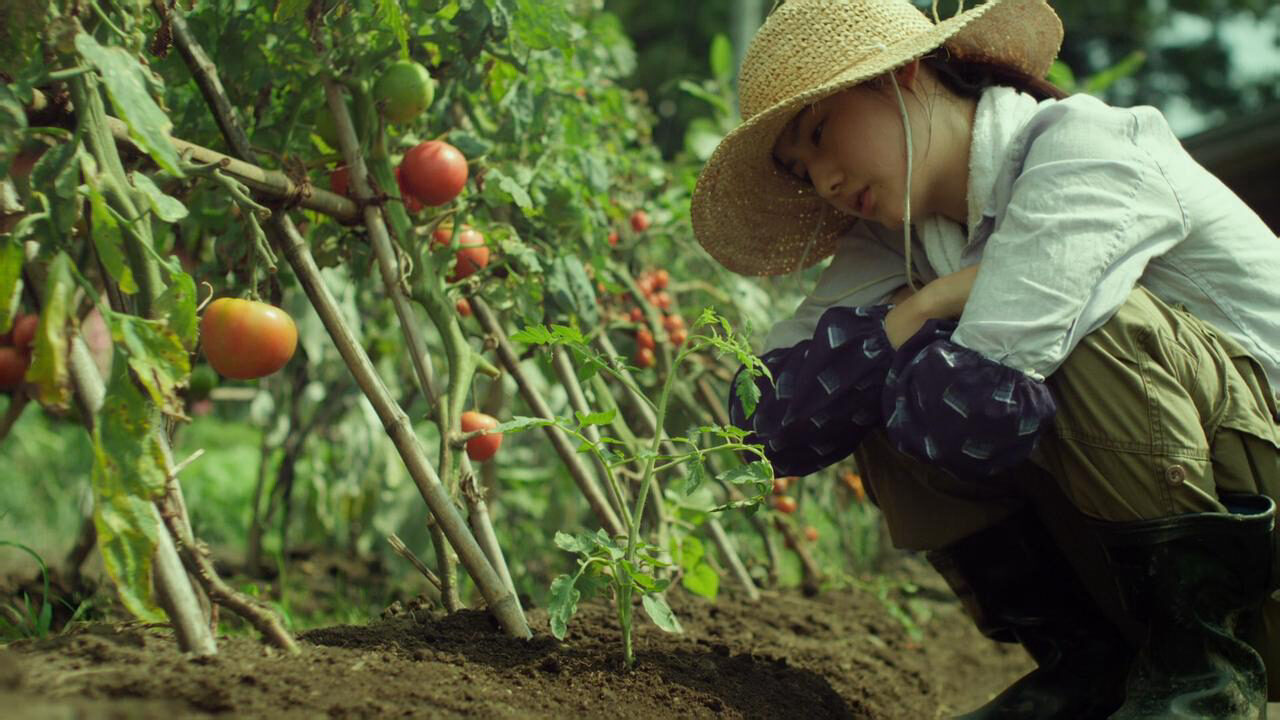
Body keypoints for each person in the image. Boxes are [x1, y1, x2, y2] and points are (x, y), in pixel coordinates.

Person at [690, 0, 1280, 717]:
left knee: (1082, 327)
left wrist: (928, 316)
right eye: (799, 168)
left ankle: (1202, 675)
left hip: (1260, 528)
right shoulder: (899, 242)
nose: (824, 181)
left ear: (901, 74)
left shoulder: (1085, 148)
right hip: (1159, 565)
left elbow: (978, 397)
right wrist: (919, 308)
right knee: (865, 369)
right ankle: (1094, 667)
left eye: (820, 134)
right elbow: (767, 416)